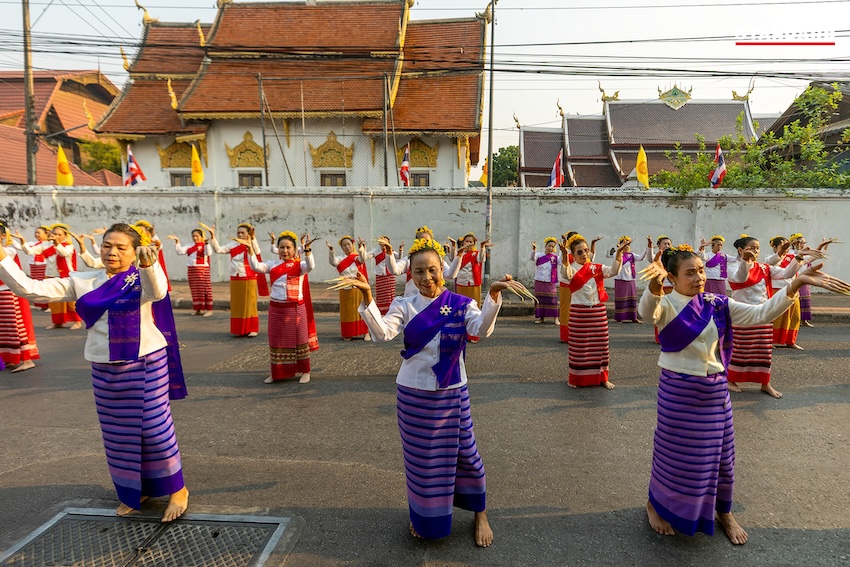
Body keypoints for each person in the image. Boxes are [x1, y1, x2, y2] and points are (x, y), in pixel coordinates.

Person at [638, 245, 848, 545]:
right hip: (678, 392)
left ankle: (724, 512)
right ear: (671, 277)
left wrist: (796, 284)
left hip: (715, 392)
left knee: (721, 457)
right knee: (675, 456)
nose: (699, 277)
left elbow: (762, 314)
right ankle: (654, 505)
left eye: (700, 271)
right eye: (690, 273)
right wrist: (654, 286)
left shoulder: (717, 303)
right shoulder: (666, 303)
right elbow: (647, 314)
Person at [341, 237, 524, 548]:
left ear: (443, 269)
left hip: (452, 392)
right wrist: (368, 296)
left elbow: (479, 330)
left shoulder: (462, 304)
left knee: (468, 455)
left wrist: (492, 295)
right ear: (410, 274)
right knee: (421, 462)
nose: (427, 278)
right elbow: (382, 333)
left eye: (432, 270)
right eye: (418, 272)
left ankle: (480, 512)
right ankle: (425, 516)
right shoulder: (404, 304)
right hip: (412, 396)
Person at [0, 223, 190, 522]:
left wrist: (149, 263)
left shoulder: (142, 276)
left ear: (133, 251)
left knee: (154, 430)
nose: (112, 252)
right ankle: (136, 489)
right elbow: (30, 288)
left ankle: (177, 489)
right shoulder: (84, 280)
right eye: (107, 245)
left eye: (120, 247)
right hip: (104, 369)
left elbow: (158, 291)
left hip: (145, 363)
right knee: (119, 436)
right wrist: (1, 258)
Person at [725, 235, 818, 398]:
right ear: (740, 250)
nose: (755, 250)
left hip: (764, 312)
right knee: (740, 349)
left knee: (764, 350)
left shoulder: (764, 267)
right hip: (743, 314)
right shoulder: (733, 267)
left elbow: (788, 273)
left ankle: (765, 382)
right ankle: (731, 379)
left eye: (757, 248)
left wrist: (800, 256)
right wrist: (746, 262)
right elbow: (741, 278)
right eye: (752, 247)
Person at [243, 231, 319, 384]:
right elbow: (256, 267)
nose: (285, 251)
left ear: (294, 249)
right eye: (282, 247)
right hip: (277, 310)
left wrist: (308, 250)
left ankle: (305, 371)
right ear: (277, 249)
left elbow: (311, 265)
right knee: (277, 341)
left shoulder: (300, 265)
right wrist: (250, 249)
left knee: (300, 340)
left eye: (288, 248)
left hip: (296, 308)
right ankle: (277, 373)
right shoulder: (272, 264)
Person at [561, 233, 627, 388]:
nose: (584, 254)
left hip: (598, 312)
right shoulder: (571, 269)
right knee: (579, 348)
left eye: (586, 251)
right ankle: (576, 379)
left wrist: (618, 254)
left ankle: (603, 378)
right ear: (573, 254)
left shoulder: (597, 268)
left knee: (601, 346)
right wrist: (564, 256)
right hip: (579, 313)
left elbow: (613, 271)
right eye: (579, 252)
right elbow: (566, 274)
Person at [209, 223, 262, 337]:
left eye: (243, 233)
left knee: (250, 303)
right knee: (237, 303)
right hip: (235, 277)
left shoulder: (251, 243)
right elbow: (218, 250)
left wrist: (253, 238)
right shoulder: (233, 244)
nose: (240, 234)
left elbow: (257, 252)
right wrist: (213, 236)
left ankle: (252, 328)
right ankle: (239, 329)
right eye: (238, 233)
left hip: (249, 276)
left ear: (248, 234)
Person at [0, 221, 39, 372]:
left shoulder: (8, 251)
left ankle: (27, 359)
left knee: (14, 326)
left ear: (3, 236)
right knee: (3, 329)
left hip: (8, 292)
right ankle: (9, 358)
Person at [386, 225, 460, 298]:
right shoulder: (409, 260)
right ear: (416, 242)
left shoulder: (438, 260)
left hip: (433, 300)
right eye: (421, 240)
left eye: (427, 241)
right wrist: (389, 254)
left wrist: (459, 256)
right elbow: (395, 271)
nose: (424, 243)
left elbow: (450, 275)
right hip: (412, 301)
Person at [327, 236, 371, 340]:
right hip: (345, 287)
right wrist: (331, 251)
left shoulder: (356, 257)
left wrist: (361, 248)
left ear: (352, 245)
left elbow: (363, 258)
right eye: (344, 245)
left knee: (362, 310)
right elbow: (333, 262)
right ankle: (348, 333)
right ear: (341, 248)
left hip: (358, 287)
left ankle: (366, 332)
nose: (347, 247)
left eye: (348, 244)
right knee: (347, 312)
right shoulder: (339, 259)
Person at [453, 232, 492, 343]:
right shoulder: (460, 254)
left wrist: (482, 247)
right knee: (460, 310)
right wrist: (453, 247)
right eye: (467, 241)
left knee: (474, 310)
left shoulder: (476, 254)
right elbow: (453, 261)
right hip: (461, 284)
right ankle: (460, 334)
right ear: (463, 243)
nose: (469, 243)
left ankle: (473, 336)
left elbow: (481, 259)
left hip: (473, 285)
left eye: (471, 242)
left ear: (474, 243)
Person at [44, 223, 83, 330]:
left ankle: (77, 321)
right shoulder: (48, 246)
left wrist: (57, 243)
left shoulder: (69, 246)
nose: (56, 236)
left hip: (66, 276)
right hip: (51, 275)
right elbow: (32, 251)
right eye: (54, 234)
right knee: (54, 301)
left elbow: (63, 253)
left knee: (70, 300)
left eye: (59, 235)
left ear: (65, 236)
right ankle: (58, 322)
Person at [168, 228, 214, 317]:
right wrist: (177, 242)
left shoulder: (204, 245)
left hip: (202, 270)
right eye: (193, 236)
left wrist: (207, 243)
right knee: (195, 290)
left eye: (197, 236)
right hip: (192, 270)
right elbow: (180, 252)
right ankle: (198, 309)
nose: (195, 238)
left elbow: (209, 253)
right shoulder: (189, 245)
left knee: (205, 289)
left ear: (201, 236)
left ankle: (209, 309)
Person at [610, 235, 652, 323]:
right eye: (624, 245)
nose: (627, 247)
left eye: (628, 245)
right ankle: (619, 317)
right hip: (620, 280)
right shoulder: (617, 254)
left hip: (630, 279)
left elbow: (641, 258)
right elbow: (617, 257)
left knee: (632, 298)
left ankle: (633, 317)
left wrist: (647, 247)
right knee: (621, 298)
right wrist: (620, 249)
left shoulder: (631, 255)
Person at [12, 226, 50, 311]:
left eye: (39, 233)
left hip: (43, 266)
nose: (37, 234)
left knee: (45, 285)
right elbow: (20, 247)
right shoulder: (32, 243)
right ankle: (41, 304)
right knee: (36, 285)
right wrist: (11, 238)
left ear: (46, 234)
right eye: (36, 233)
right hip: (34, 266)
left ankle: (49, 305)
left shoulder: (48, 244)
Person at [359, 235, 398, 316]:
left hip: (390, 276)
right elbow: (365, 257)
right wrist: (363, 248)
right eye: (381, 243)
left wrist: (400, 250)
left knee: (390, 295)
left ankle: (391, 312)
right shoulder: (376, 251)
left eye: (385, 242)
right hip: (380, 276)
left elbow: (399, 256)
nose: (383, 245)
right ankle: (382, 313)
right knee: (381, 295)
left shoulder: (391, 252)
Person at [530, 237, 560, 324]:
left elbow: (562, 261)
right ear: (545, 246)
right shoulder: (539, 255)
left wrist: (563, 250)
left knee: (552, 300)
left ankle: (556, 318)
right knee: (540, 300)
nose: (551, 248)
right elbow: (532, 258)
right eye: (549, 246)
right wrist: (534, 249)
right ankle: (541, 318)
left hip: (550, 282)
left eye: (552, 246)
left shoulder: (555, 258)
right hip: (539, 281)